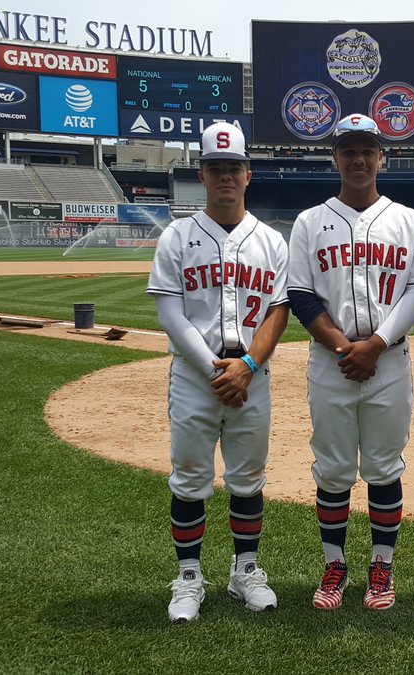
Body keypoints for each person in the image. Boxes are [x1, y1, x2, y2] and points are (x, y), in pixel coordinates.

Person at [146, 122, 290, 623]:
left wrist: (247, 366)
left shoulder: (271, 240)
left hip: (253, 375)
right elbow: (170, 314)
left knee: (248, 479)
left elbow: (278, 310)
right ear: (202, 175)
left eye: (233, 168)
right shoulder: (177, 236)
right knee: (190, 478)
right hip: (195, 375)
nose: (225, 176)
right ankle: (188, 577)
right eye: (215, 168)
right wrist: (217, 370)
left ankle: (245, 569)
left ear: (248, 174)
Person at [286, 114, 414, 611]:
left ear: (381, 157)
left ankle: (382, 565)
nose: (359, 159)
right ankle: (335, 564)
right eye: (348, 150)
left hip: (389, 360)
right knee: (332, 470)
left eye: (367, 149)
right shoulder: (310, 222)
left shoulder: (409, 220)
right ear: (335, 158)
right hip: (331, 363)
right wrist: (344, 347)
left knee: (385, 469)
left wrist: (377, 343)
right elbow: (301, 295)